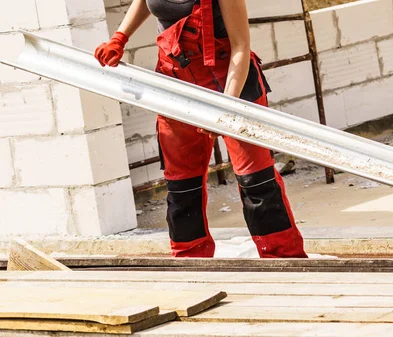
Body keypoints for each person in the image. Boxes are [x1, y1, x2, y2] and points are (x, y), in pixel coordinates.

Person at [94, 0, 308, 259]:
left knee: (256, 181)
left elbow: (240, 46)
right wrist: (119, 38)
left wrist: (225, 108)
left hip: (232, 83)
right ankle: (191, 262)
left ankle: (283, 260)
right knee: (182, 186)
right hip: (177, 82)